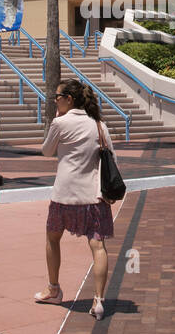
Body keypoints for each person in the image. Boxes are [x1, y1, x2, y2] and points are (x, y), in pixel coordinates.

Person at [35, 79, 116, 320]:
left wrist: (55, 126)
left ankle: (54, 289)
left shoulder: (60, 123)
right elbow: (111, 157)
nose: (54, 101)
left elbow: (46, 151)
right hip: (93, 196)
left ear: (69, 99)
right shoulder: (99, 125)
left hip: (64, 195)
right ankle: (99, 301)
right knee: (98, 246)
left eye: (56, 97)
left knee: (52, 239)